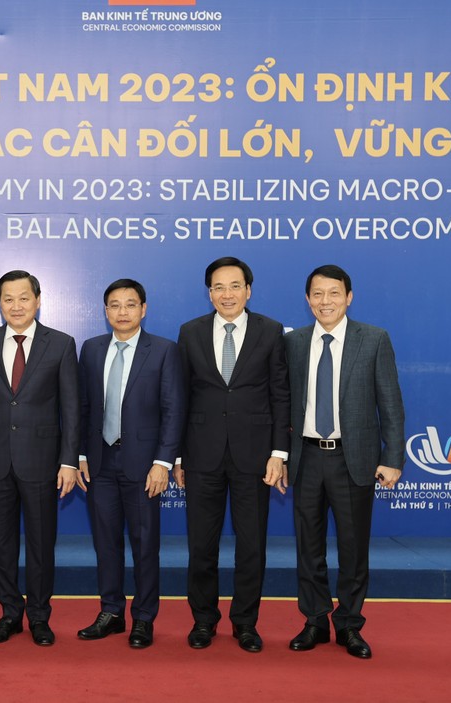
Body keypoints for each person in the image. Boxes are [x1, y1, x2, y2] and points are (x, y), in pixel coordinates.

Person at [284, 264, 404, 659]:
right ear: (307, 300)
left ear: (348, 297)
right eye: (317, 294)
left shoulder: (373, 339)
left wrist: (393, 457)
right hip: (305, 457)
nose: (325, 302)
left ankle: (350, 625)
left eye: (333, 293)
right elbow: (282, 404)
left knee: (353, 549)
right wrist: (280, 455)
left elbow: (390, 404)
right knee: (308, 547)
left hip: (354, 460)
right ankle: (315, 620)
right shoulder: (294, 343)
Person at [174, 256, 289, 653]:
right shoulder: (189, 333)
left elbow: (280, 395)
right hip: (201, 456)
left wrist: (278, 452)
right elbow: (180, 398)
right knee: (201, 546)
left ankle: (245, 623)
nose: (228, 294)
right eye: (219, 287)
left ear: (248, 290)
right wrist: (176, 458)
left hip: (254, 457)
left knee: (251, 545)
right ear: (210, 293)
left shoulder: (271, 331)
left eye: (235, 286)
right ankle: (203, 621)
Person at [0, 270, 80, 646]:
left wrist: (68, 461)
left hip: (42, 462)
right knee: (0, 544)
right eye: (7, 299)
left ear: (38, 300)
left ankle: (38, 616)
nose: (16, 306)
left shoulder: (62, 344)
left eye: (23, 298)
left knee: (39, 543)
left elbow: (71, 408)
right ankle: (9, 613)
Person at [77, 279, 186, 649]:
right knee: (105, 543)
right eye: (114, 305)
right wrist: (78, 455)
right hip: (100, 463)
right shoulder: (91, 350)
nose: (122, 312)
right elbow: (83, 408)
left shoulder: (164, 351)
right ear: (105, 311)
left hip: (144, 465)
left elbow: (173, 411)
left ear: (144, 308)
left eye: (129, 304)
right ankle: (110, 612)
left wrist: (163, 462)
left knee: (144, 544)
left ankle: (143, 618)